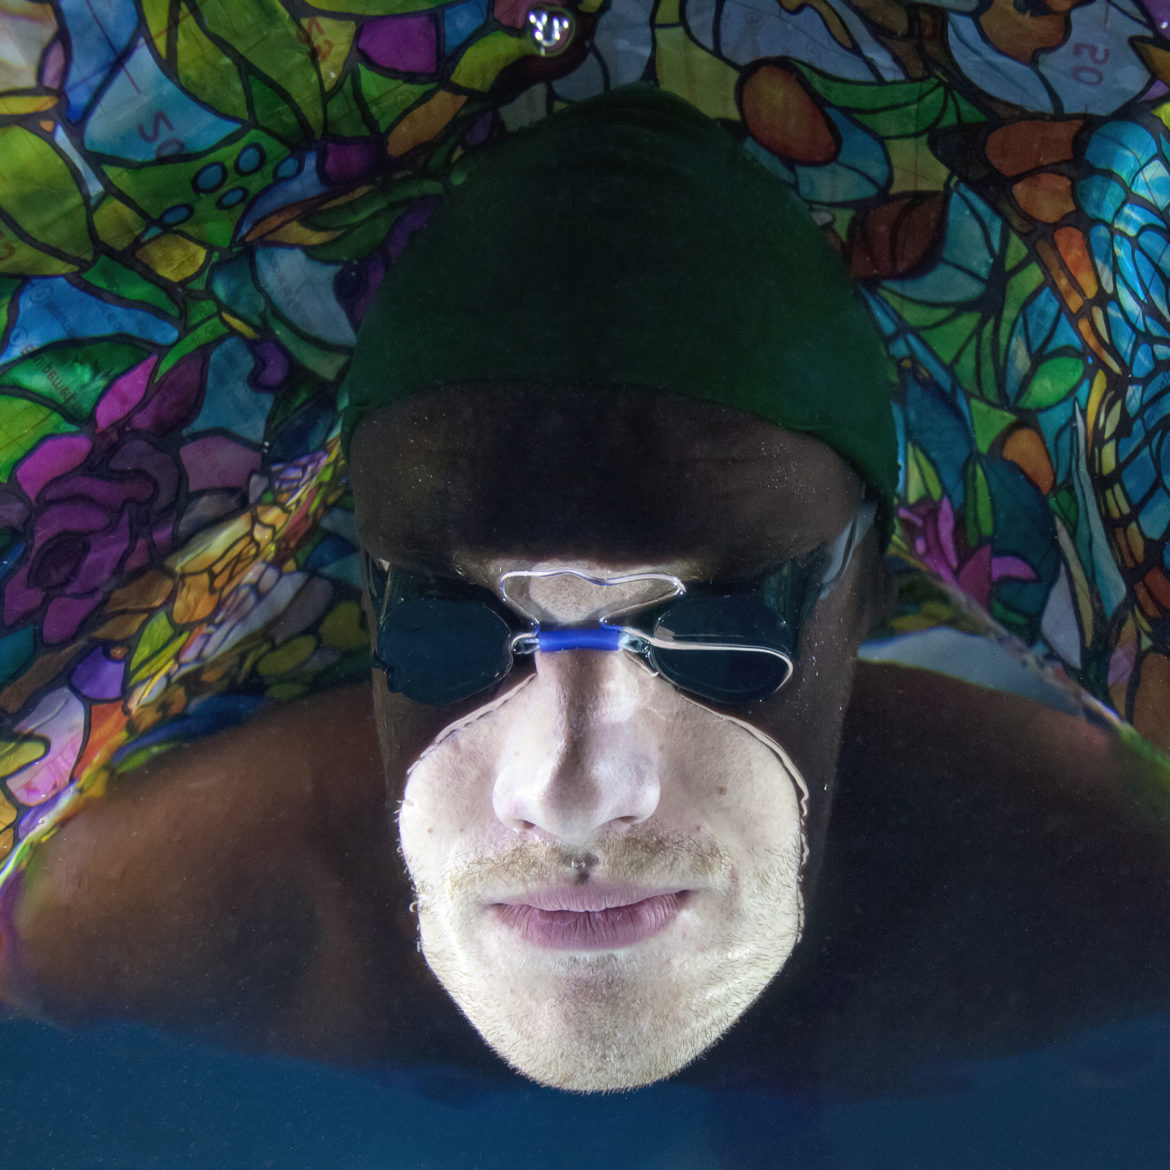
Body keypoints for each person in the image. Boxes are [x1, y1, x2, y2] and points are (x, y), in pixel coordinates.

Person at [3, 86, 1170, 1099]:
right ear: (368, 591)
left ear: (873, 580)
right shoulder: (119, 926)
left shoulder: (1111, 881)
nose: (569, 793)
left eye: (719, 626)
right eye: (452, 625)